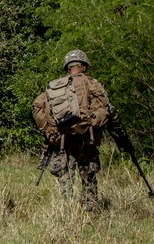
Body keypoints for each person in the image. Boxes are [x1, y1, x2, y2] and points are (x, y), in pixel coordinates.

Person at [33, 49, 114, 211]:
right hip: (86, 139)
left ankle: (66, 209)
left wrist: (50, 131)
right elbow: (105, 110)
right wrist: (89, 123)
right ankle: (91, 208)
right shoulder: (91, 83)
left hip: (63, 140)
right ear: (83, 66)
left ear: (68, 67)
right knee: (88, 175)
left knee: (65, 177)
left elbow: (37, 109)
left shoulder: (54, 86)